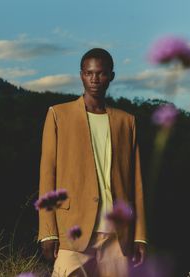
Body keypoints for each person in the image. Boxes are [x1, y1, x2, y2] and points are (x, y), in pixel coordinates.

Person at [37, 48, 147, 277]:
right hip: (73, 231)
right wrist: (48, 232)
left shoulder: (127, 122)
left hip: (117, 235)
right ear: (81, 75)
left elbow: (136, 182)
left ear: (111, 76)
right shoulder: (59, 115)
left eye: (101, 73)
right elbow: (48, 174)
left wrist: (139, 235)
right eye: (89, 73)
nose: (94, 79)